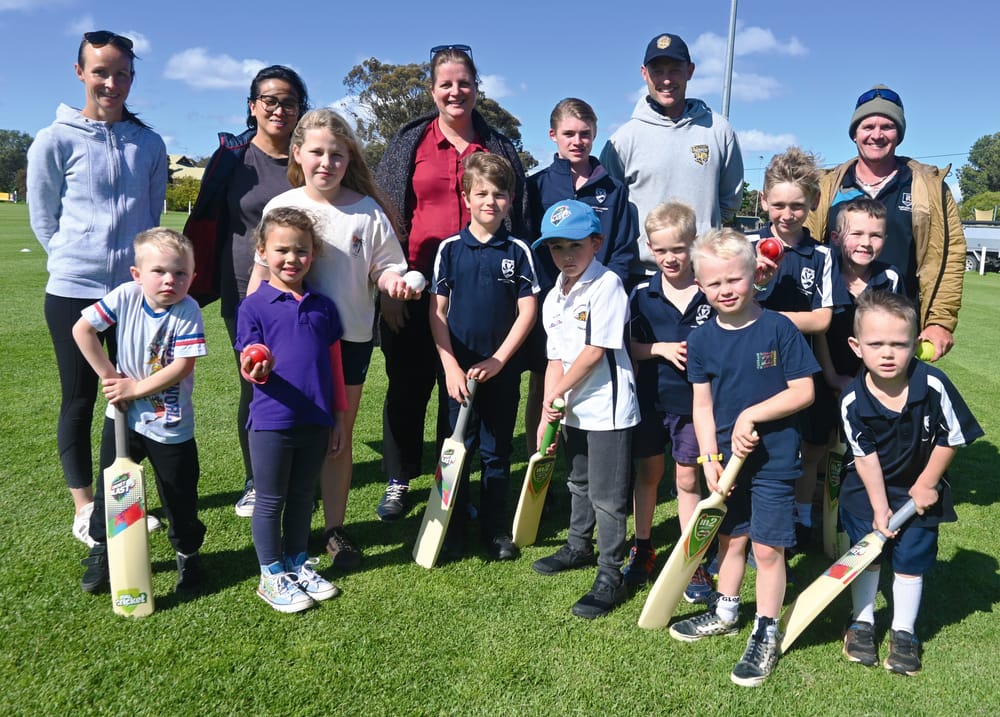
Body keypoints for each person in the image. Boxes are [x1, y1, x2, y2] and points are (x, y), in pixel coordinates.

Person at [374, 44, 530, 522]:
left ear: (477, 88)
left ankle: (458, 487)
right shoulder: (411, 143)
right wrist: (389, 288)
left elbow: (520, 216)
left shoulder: (497, 146)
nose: (455, 91)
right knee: (407, 387)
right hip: (415, 288)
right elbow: (386, 214)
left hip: (480, 295)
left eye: (464, 83)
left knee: (462, 393)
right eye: (446, 84)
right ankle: (400, 479)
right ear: (432, 90)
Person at [253, 109, 412, 569]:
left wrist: (393, 282)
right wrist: (252, 336)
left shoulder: (367, 211)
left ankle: (334, 529)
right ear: (297, 153)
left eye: (337, 155)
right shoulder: (281, 206)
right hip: (288, 345)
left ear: (350, 158)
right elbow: (260, 277)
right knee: (292, 435)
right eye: (317, 152)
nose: (327, 162)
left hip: (350, 341)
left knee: (337, 438)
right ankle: (290, 526)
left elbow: (387, 265)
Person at [27, 31, 168, 547]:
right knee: (80, 398)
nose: (112, 83)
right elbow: (44, 218)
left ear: (132, 78)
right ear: (80, 72)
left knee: (130, 394)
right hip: (73, 290)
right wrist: (73, 260)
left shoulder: (149, 144)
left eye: (122, 74)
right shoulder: (54, 139)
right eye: (101, 72)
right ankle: (85, 509)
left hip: (131, 293)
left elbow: (152, 216)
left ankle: (120, 503)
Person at [670, 228, 817, 687]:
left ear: (754, 275)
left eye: (734, 279)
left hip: (774, 459)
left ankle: (766, 630)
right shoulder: (701, 341)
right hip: (726, 462)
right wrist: (709, 457)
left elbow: (804, 391)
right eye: (714, 283)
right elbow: (702, 406)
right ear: (700, 285)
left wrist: (752, 415)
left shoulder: (779, 328)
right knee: (730, 541)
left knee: (768, 548)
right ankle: (726, 611)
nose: (726, 290)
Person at [184, 65, 310, 519]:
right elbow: (204, 219)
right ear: (253, 106)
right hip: (244, 291)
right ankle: (257, 480)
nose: (279, 109)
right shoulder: (232, 158)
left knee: (303, 380)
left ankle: (301, 475)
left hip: (303, 291)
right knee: (256, 382)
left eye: (289, 102)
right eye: (269, 100)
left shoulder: (308, 156)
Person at [838, 291, 982, 675]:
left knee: (910, 562)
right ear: (856, 346)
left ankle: (904, 632)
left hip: (921, 490)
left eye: (899, 344)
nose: (887, 353)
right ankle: (861, 623)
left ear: (916, 344)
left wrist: (927, 483)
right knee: (867, 558)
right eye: (876, 344)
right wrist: (879, 507)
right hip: (866, 492)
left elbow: (953, 436)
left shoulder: (933, 384)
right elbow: (864, 458)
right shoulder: (852, 400)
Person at [73, 229, 208, 595]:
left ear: (192, 277)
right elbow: (83, 330)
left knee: (179, 496)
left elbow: (182, 366)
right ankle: (105, 550)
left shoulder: (187, 310)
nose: (170, 280)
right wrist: (111, 377)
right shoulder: (125, 296)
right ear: (137, 274)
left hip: (170, 425)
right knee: (113, 492)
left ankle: (188, 555)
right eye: (159, 271)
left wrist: (134, 389)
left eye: (180, 273)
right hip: (122, 420)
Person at [529, 200, 639, 619]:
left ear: (596, 242)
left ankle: (611, 574)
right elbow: (555, 356)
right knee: (577, 481)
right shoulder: (554, 295)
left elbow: (594, 351)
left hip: (608, 408)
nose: (566, 256)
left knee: (607, 497)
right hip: (573, 406)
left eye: (575, 245)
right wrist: (549, 406)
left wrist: (556, 393)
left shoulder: (607, 285)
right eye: (556, 247)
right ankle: (578, 545)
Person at [804, 85, 966, 362]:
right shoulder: (827, 185)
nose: (877, 135)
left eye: (887, 126)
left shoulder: (927, 186)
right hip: (830, 333)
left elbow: (950, 256)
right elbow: (805, 249)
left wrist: (940, 321)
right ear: (854, 133)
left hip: (896, 335)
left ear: (899, 134)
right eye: (868, 126)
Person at [429, 153, 538, 560]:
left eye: (499, 194)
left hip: (500, 373)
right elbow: (437, 312)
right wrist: (450, 366)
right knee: (457, 449)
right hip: (458, 374)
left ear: (510, 200)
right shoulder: (449, 250)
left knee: (497, 452)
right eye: (482, 193)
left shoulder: (518, 250)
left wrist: (499, 360)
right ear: (466, 197)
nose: (491, 201)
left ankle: (494, 529)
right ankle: (452, 527)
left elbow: (527, 311)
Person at [238, 207, 346, 613]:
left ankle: (297, 563)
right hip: (271, 422)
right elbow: (248, 357)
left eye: (301, 250)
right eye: (281, 250)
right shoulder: (254, 306)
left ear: (313, 253)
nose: (291, 259)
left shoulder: (323, 307)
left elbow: (334, 367)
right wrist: (255, 366)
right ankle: (271, 575)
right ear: (262, 251)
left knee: (303, 496)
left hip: (316, 420)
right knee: (270, 499)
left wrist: (338, 416)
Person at [523, 97, 637, 454]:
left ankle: (593, 454)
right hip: (552, 301)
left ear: (595, 134)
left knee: (594, 374)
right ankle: (540, 456)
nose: (577, 141)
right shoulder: (536, 186)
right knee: (546, 379)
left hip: (599, 302)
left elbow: (623, 250)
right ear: (553, 135)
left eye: (585, 134)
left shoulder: (614, 189)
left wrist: (599, 290)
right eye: (569, 134)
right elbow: (530, 246)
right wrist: (552, 295)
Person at [750, 147, 848, 550]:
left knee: (811, 447)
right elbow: (730, 309)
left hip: (801, 368)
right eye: (778, 205)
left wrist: (765, 319)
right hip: (753, 368)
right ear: (763, 201)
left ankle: (802, 519)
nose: (787, 214)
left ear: (814, 202)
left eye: (797, 206)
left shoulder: (822, 255)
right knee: (759, 446)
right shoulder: (745, 246)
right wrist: (756, 284)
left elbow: (821, 320)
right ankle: (749, 525)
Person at [600, 32, 744, 288]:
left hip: (704, 275)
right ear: (644, 74)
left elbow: (729, 201)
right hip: (643, 276)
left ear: (690, 71)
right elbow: (610, 209)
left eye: (675, 70)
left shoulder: (719, 130)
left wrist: (702, 237)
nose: (666, 80)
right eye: (658, 71)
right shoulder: (623, 139)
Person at [626, 202, 714, 600]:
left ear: (693, 242)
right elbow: (629, 347)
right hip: (650, 401)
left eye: (678, 248)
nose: (670, 258)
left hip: (694, 407)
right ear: (649, 248)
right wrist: (659, 349)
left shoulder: (711, 290)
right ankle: (643, 547)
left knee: (687, 479)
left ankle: (690, 559)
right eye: (661, 250)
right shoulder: (641, 294)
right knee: (648, 474)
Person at [816, 197, 906, 392]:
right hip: (822, 380)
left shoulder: (890, 277)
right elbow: (817, 334)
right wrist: (832, 378)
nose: (866, 243)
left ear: (885, 239)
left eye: (876, 235)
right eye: (856, 234)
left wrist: (866, 381)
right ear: (836, 238)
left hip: (872, 383)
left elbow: (892, 334)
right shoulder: (822, 273)